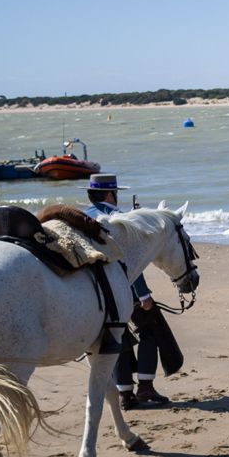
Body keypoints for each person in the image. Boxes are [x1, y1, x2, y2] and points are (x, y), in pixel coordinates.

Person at [86, 173, 176, 409]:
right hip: (122, 288)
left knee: (116, 338)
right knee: (149, 330)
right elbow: (129, 262)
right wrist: (143, 295)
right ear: (109, 194)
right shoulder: (117, 218)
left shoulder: (84, 217)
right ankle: (145, 386)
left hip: (92, 290)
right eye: (115, 193)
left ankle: (124, 393)